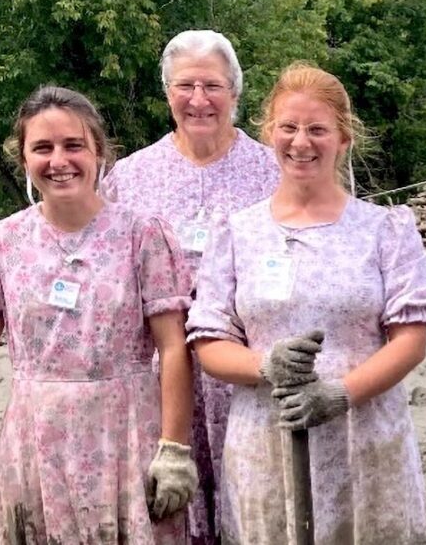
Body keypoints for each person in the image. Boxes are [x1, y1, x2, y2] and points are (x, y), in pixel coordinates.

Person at [0, 85, 195, 543]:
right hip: (37, 440)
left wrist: (175, 449)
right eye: (42, 148)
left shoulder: (142, 236)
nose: (58, 160)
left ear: (99, 151)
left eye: (73, 145)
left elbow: (173, 346)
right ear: (23, 159)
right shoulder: (1, 244)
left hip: (125, 436)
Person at [186, 62, 426, 544]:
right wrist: (266, 365)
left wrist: (339, 394)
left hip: (363, 439)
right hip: (268, 441)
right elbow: (210, 342)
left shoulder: (384, 230)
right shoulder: (237, 233)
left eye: (318, 129)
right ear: (269, 133)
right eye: (288, 127)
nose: (301, 142)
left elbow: (410, 341)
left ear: (344, 139)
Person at [103, 29, 280, 543]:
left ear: (235, 93)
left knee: (256, 505)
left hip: (250, 372)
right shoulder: (131, 178)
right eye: (185, 86)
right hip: (164, 380)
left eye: (213, 86)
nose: (198, 100)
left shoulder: (272, 170)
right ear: (167, 93)